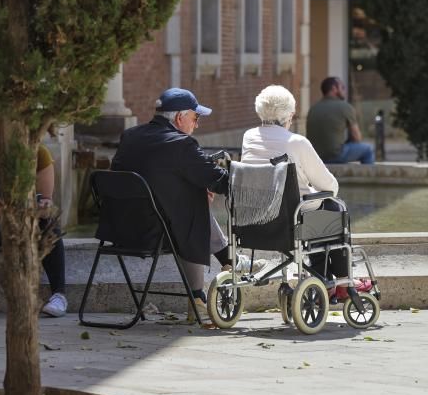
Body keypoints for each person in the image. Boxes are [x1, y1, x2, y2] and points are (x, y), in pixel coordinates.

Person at [110, 88, 261, 325]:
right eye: (196, 117)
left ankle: (225, 264)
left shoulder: (130, 136)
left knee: (191, 199)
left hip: (118, 230)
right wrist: (256, 183)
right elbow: (219, 180)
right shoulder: (181, 144)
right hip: (157, 234)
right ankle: (198, 296)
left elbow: (153, 181)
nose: (197, 124)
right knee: (194, 206)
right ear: (180, 118)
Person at [242, 85, 372, 300]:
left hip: (254, 220)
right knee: (333, 207)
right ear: (289, 115)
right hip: (290, 220)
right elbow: (329, 186)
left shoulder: (248, 137)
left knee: (321, 210)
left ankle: (324, 279)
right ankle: (342, 281)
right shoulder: (296, 142)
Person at [0, 137, 67, 318]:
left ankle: (59, 295)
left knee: (49, 224)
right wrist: (18, 214)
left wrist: (43, 208)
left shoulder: (40, 153)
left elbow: (46, 200)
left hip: (25, 220)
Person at [306, 77, 374, 164]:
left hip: (315, 156)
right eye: (342, 87)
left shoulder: (313, 109)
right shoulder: (345, 107)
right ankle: (368, 174)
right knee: (367, 150)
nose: (344, 91)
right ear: (334, 88)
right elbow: (357, 138)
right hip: (336, 155)